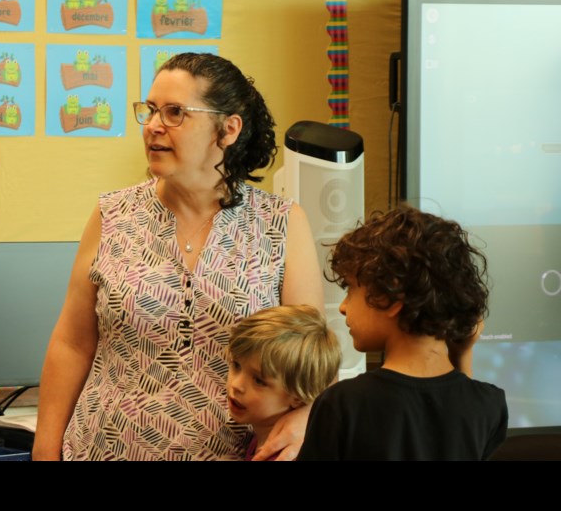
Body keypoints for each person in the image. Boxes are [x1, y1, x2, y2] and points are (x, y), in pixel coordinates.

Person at [34, 53, 325, 461]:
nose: (153, 125)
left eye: (175, 113)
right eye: (150, 110)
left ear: (227, 129)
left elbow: (309, 359)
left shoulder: (281, 223)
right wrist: (45, 449)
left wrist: (308, 416)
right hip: (100, 449)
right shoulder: (112, 214)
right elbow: (72, 343)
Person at [298, 206, 508, 460]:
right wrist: (462, 352)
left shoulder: (343, 404)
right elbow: (457, 413)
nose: (343, 308)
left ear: (390, 297)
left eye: (350, 289)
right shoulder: (490, 405)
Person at [226, 304, 341, 460]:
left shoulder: (283, 455)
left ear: (297, 397)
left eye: (259, 381)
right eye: (236, 365)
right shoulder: (261, 439)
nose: (236, 385)